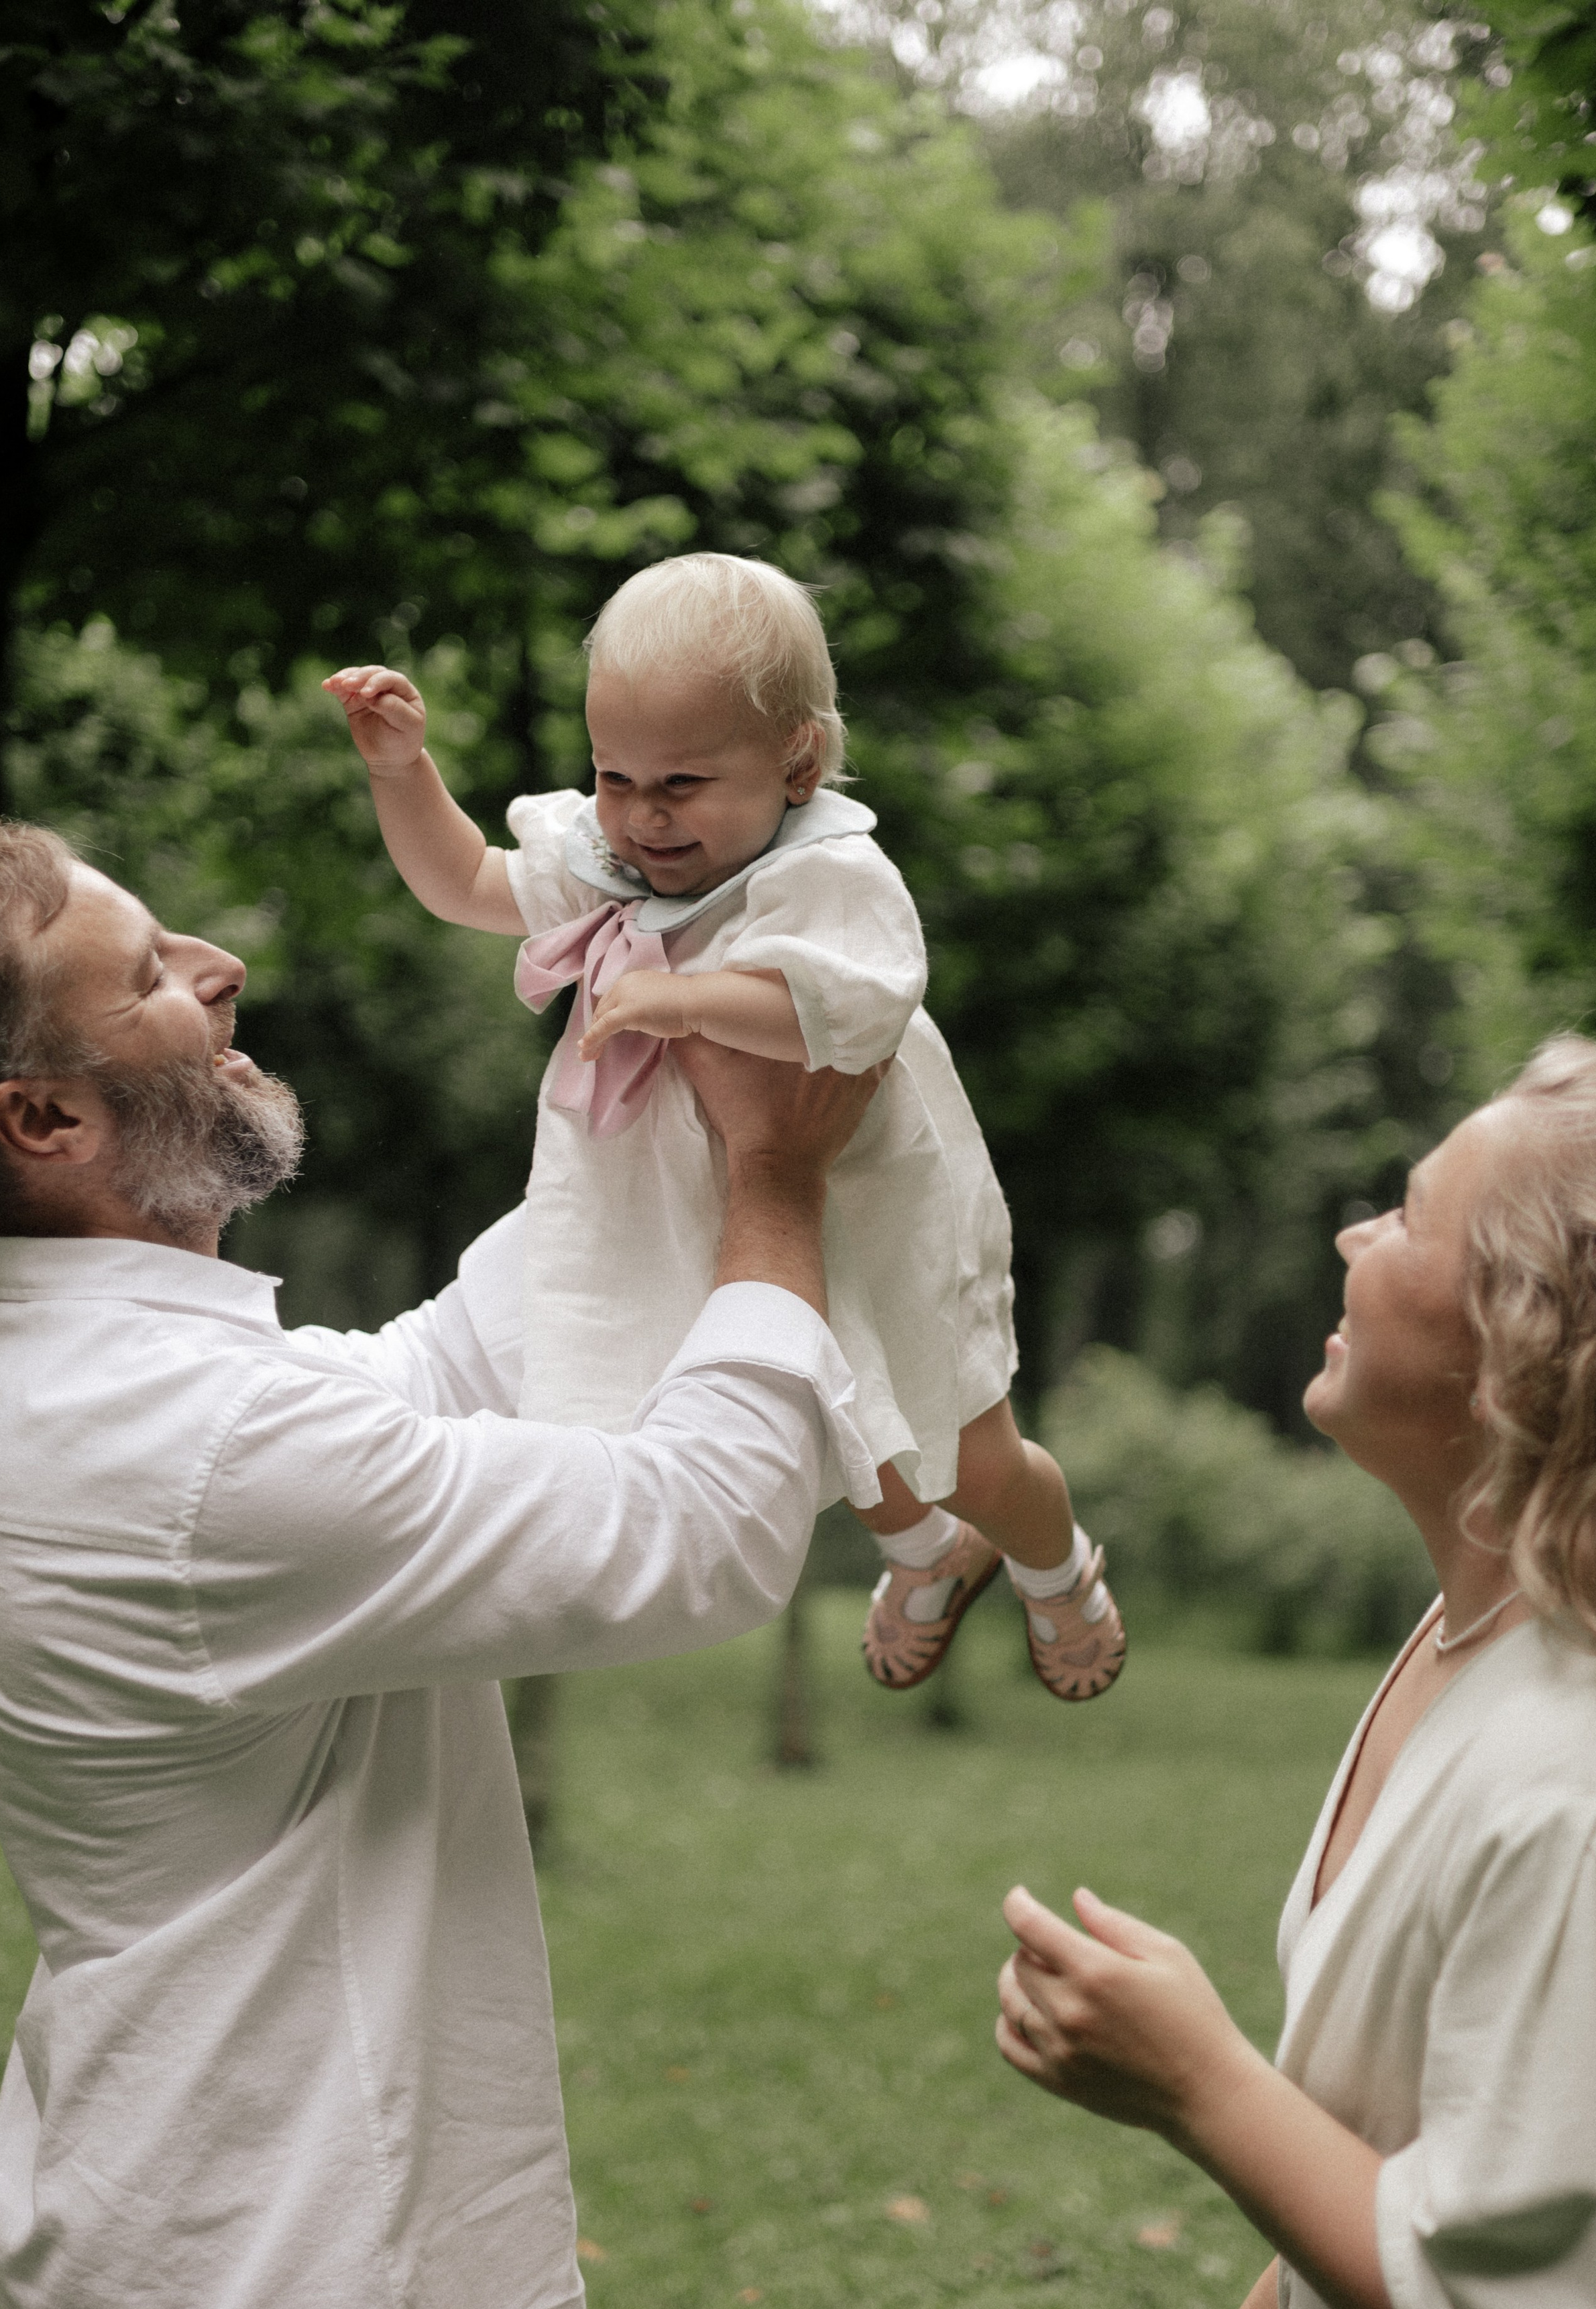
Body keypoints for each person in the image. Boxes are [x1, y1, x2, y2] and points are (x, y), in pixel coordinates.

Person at [0, 816, 888, 2309]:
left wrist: (627, 1090)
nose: (216, 968)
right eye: (144, 976)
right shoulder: (188, 1443)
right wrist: (777, 1188)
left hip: (226, 2264)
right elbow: (703, 1535)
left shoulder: (12, 1344)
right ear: (42, 1122)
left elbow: (432, 1373)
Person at [993, 1035, 1596, 2309]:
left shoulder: (1580, 1786)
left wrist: (1201, 2083)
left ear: (1517, 1347)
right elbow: (1450, 2115)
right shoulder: (1470, 1634)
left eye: (1405, 1219)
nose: (1351, 1238)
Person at [323, 551, 1125, 1703]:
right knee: (833, 1429)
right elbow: (467, 886)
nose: (643, 817)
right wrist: (405, 774)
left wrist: (688, 995)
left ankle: (1058, 1572)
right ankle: (928, 1560)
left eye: (683, 783)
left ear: (797, 761)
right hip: (703, 1216)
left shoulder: (827, 877)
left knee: (964, 1445)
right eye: (614, 776)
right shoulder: (613, 856)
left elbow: (854, 1007)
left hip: (866, 1199)